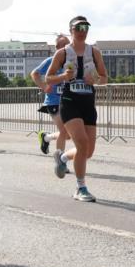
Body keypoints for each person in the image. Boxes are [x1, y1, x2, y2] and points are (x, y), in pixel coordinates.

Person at [45, 16, 108, 202]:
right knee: (81, 143)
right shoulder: (62, 53)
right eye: (78, 27)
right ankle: (81, 188)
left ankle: (63, 158)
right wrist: (64, 76)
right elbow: (48, 78)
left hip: (88, 102)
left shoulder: (94, 52)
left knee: (88, 151)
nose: (82, 30)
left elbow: (105, 78)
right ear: (71, 30)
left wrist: (95, 79)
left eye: (85, 27)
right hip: (69, 101)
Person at [33, 34, 71, 157]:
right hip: (54, 102)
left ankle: (46, 137)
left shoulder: (71, 62)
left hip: (68, 101)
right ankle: (60, 161)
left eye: (69, 45)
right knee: (64, 132)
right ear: (58, 47)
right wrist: (43, 86)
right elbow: (34, 73)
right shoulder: (50, 61)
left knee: (68, 135)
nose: (69, 47)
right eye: (65, 45)